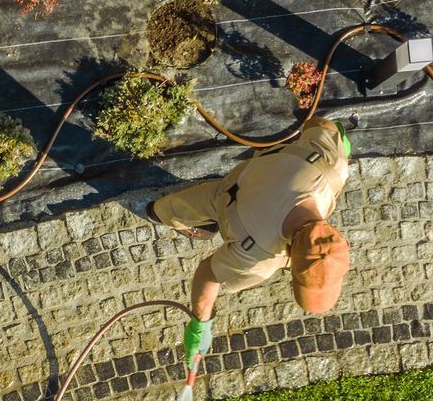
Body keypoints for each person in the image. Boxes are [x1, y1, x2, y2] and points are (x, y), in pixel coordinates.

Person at [145, 117, 353, 377]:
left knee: (176, 207)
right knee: (182, 209)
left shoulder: (331, 170)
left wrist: (338, 147)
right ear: (290, 262)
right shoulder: (258, 259)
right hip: (225, 198)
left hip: (260, 168)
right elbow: (207, 274)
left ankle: (158, 211)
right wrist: (200, 324)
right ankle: (157, 212)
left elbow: (321, 123)